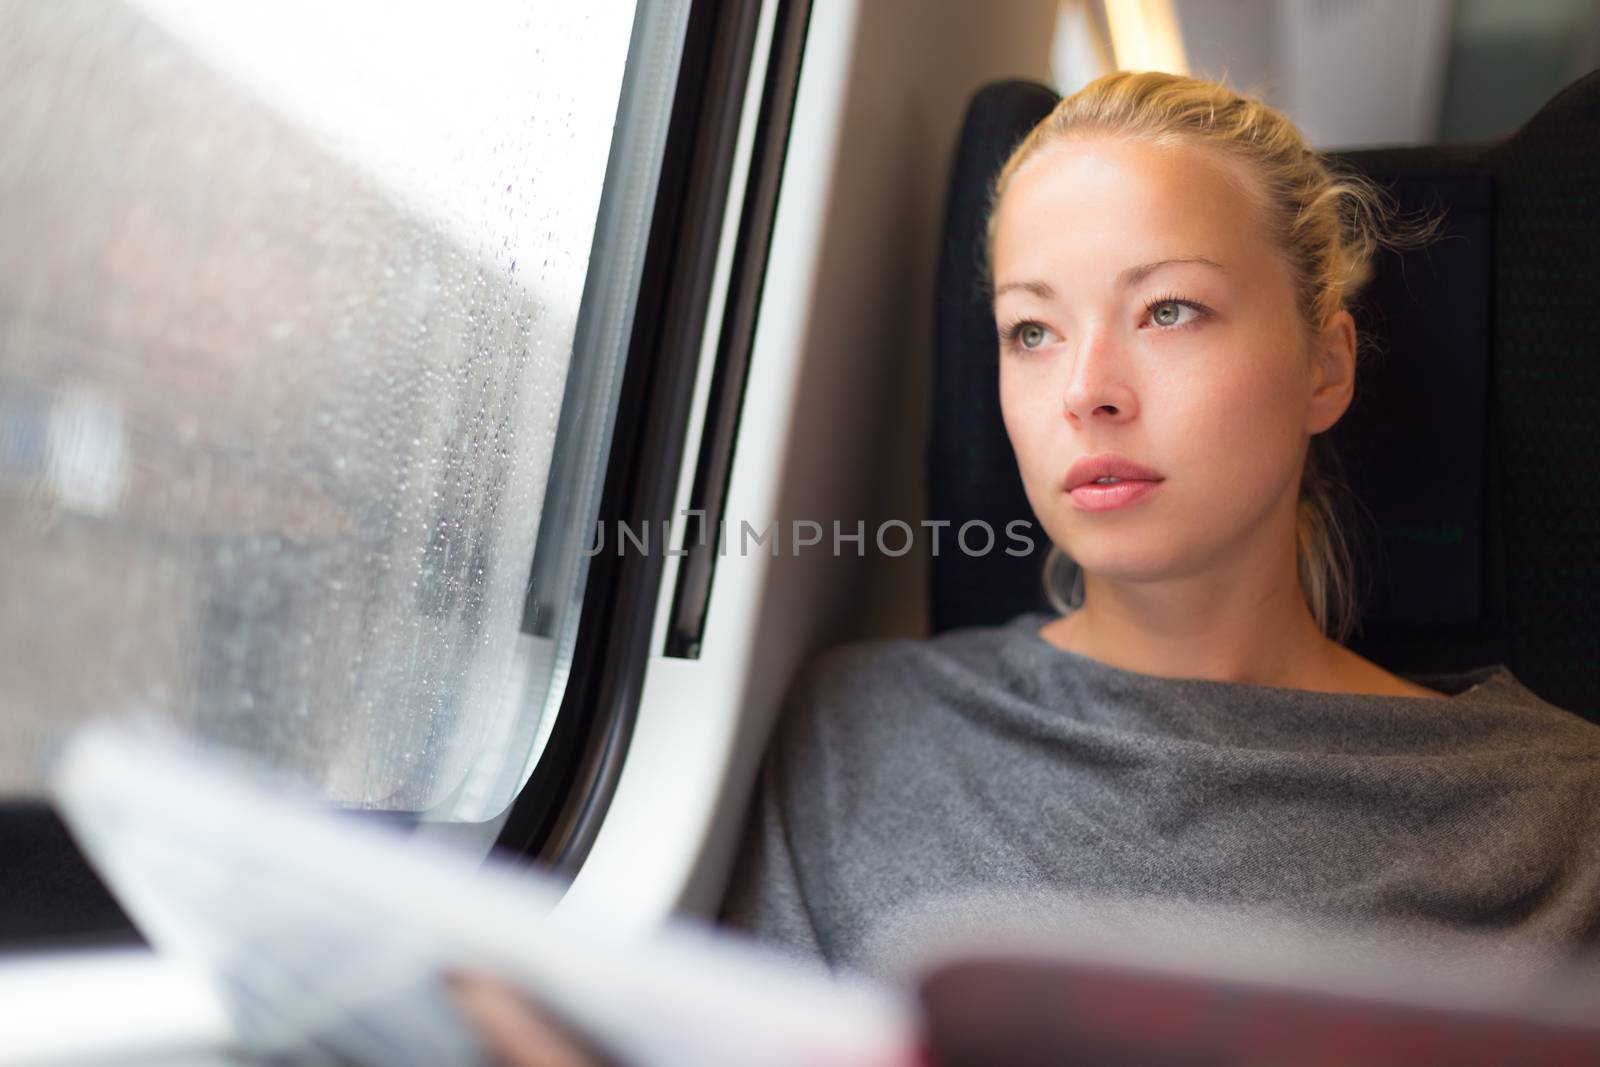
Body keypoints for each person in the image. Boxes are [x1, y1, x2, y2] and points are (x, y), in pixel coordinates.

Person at [455, 68, 1600, 1063]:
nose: (1086, 389)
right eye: (1030, 330)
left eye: (1168, 309)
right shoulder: (861, 735)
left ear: (1324, 366)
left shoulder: (1556, 812)